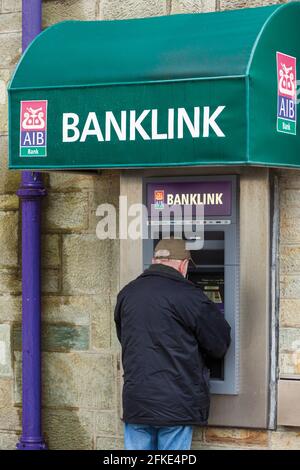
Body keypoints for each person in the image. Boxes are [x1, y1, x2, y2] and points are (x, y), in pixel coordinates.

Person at [114, 238, 231, 450]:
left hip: (137, 402)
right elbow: (218, 344)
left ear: (154, 260)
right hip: (176, 403)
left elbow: (125, 338)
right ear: (183, 264)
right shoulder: (190, 296)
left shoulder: (127, 293)